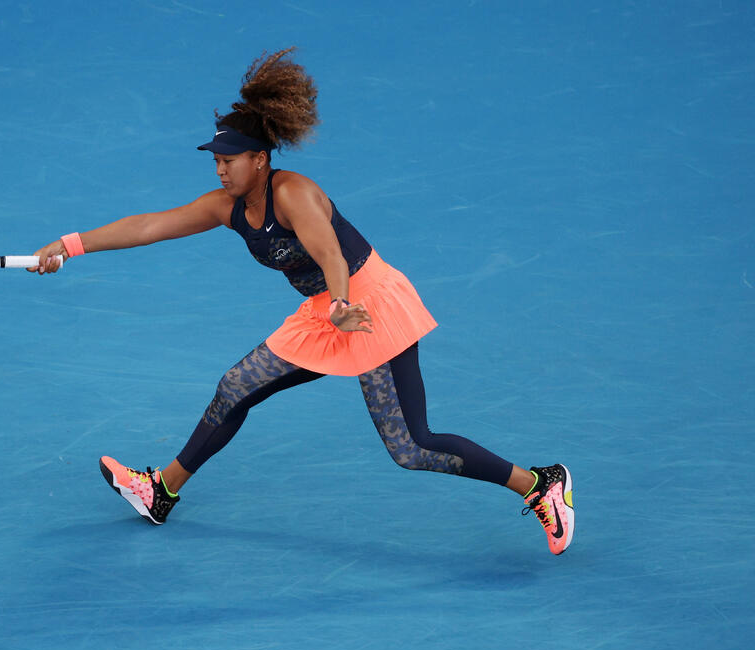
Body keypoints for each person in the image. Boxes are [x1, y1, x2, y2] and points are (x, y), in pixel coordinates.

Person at [31, 48, 574, 555]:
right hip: (324, 311)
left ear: (261, 159)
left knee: (412, 446)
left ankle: (540, 484)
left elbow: (333, 257)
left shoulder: (295, 195)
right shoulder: (227, 206)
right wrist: (71, 245)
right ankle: (161, 492)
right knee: (236, 386)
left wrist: (340, 304)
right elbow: (150, 226)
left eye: (231, 159)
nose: (220, 169)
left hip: (366, 308)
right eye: (215, 159)